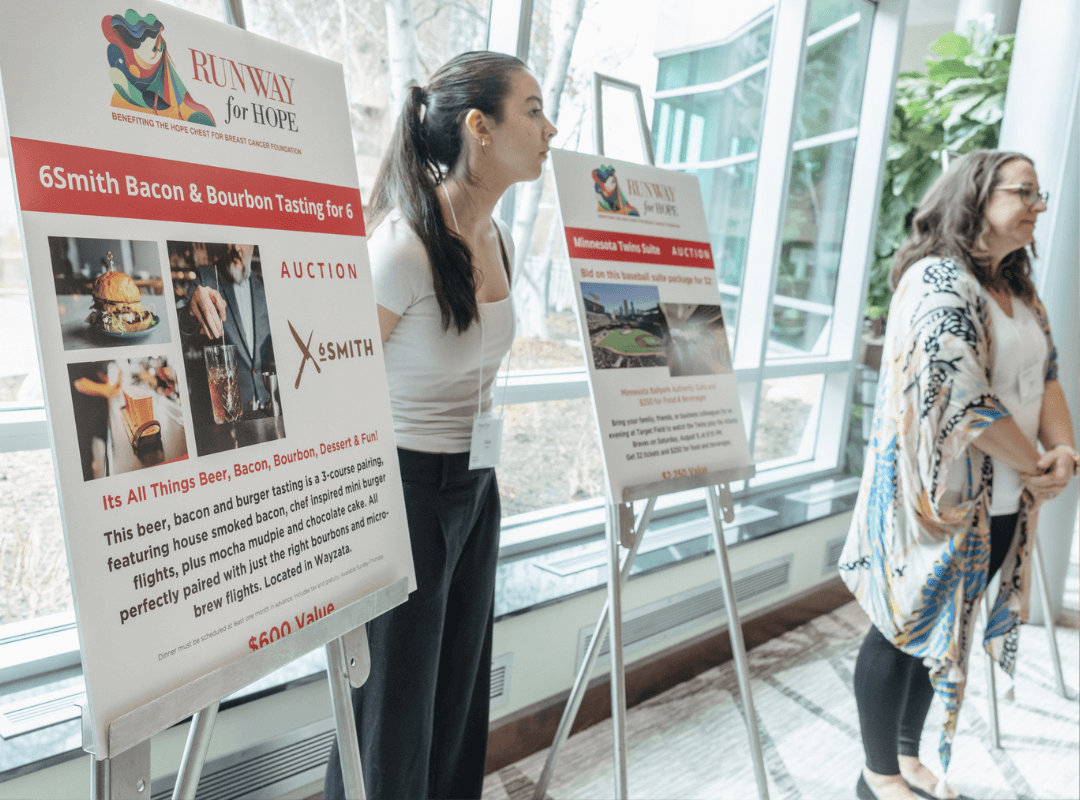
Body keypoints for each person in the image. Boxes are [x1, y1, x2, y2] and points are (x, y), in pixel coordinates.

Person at [322, 52, 556, 800]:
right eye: (533, 110)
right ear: (479, 128)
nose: (550, 129)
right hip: (403, 493)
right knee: (391, 714)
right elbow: (331, 384)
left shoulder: (497, 239)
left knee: (457, 699)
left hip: (474, 488)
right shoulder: (402, 246)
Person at [839, 149, 1077, 800]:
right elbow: (961, 399)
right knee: (900, 631)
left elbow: (1047, 374)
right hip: (935, 505)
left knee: (949, 628)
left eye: (1040, 194)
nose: (1039, 206)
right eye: (1025, 192)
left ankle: (909, 758)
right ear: (977, 194)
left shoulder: (1018, 285)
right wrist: (1036, 466)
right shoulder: (939, 280)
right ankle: (876, 774)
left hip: (1002, 499)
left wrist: (1064, 452)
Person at [178, 243, 273, 410]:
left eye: (241, 240)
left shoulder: (262, 288)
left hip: (266, 404)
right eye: (230, 240)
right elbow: (179, 331)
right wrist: (190, 313)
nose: (235, 246)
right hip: (227, 410)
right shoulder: (207, 278)